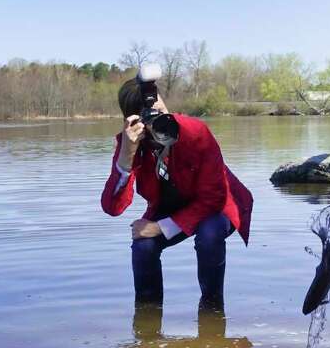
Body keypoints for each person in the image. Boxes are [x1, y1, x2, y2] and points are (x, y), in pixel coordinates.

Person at [101, 75, 253, 309]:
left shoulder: (195, 132)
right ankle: (147, 320)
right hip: (171, 205)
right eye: (149, 116)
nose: (158, 120)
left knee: (209, 232)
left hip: (218, 205)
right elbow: (112, 207)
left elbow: (213, 198)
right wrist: (126, 155)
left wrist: (160, 227)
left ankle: (212, 313)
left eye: (159, 108)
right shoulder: (130, 143)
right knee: (143, 246)